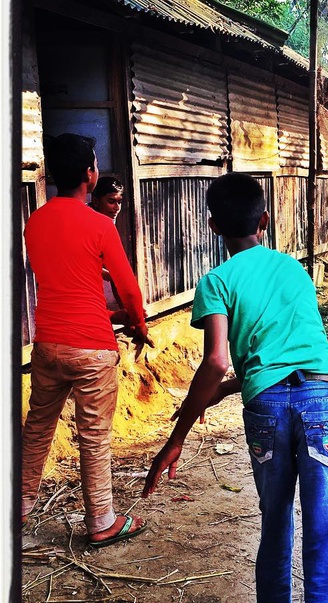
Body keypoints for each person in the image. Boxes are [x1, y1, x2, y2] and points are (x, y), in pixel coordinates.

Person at [142, 173, 328, 603]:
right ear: (266, 220)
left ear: (213, 226)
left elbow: (218, 360)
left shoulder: (216, 282)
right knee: (327, 531)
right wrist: (221, 389)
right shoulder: (293, 269)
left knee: (274, 523)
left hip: (267, 408)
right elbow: (292, 358)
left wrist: (177, 436)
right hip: (323, 399)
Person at [22, 133, 153, 547]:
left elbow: (67, 283)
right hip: (92, 349)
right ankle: (101, 522)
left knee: (38, 427)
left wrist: (119, 316)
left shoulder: (35, 222)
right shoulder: (99, 225)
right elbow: (129, 290)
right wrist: (139, 324)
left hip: (47, 345)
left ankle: (18, 508)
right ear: (89, 174)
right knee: (94, 436)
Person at [89, 176, 125, 312]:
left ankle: (129, 315)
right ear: (96, 201)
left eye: (119, 202)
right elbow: (84, 262)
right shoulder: (88, 221)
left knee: (119, 275)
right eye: (111, 202)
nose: (116, 208)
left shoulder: (107, 216)